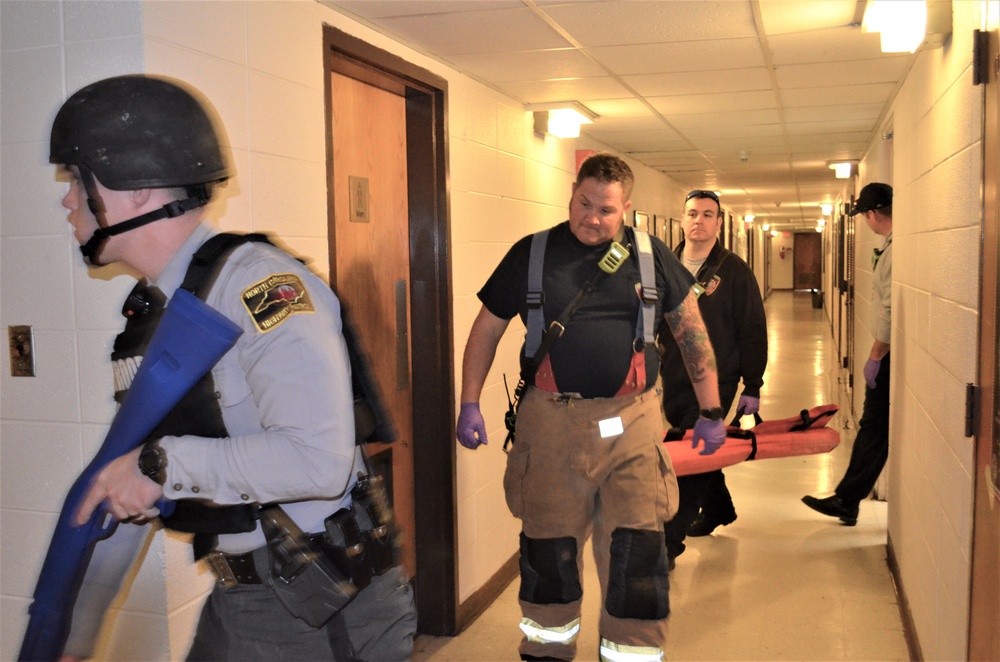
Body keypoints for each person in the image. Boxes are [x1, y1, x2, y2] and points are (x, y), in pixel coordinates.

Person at [47, 74, 416, 660]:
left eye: (76, 179)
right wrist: (75, 635)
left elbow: (315, 461)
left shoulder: (263, 288)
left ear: (135, 190)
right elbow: (137, 476)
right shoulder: (161, 310)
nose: (67, 199)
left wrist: (159, 468)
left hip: (322, 614)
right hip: (244, 601)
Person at [455, 153, 726, 662]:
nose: (592, 218)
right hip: (551, 426)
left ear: (626, 207)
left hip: (634, 423)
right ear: (572, 190)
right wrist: (469, 401)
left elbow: (690, 331)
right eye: (584, 204)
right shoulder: (531, 254)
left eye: (606, 210)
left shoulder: (651, 256)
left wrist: (711, 412)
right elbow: (486, 327)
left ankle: (632, 653)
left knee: (636, 555)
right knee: (548, 551)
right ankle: (546, 651)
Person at [660, 190, 768, 562]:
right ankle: (720, 508)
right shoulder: (665, 265)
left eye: (708, 214)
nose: (699, 221)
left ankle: (668, 543)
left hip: (717, 380)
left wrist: (752, 385)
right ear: (683, 218)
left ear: (719, 223)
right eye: (693, 213)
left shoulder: (734, 271)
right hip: (673, 378)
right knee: (699, 447)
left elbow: (752, 329)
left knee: (694, 455)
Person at [803, 182, 893, 526]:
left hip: (887, 358)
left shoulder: (893, 251)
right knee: (875, 429)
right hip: (889, 356)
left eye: (864, 215)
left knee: (873, 426)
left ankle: (847, 499)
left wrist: (875, 356)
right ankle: (848, 498)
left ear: (871, 214)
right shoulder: (891, 246)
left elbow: (888, 310)